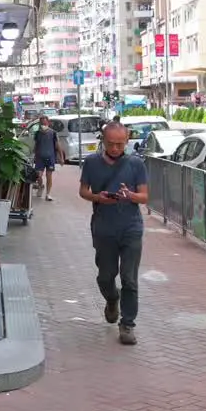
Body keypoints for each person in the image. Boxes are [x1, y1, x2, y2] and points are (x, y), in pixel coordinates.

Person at [78, 122, 149, 345]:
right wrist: (99, 198)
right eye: (111, 144)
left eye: (120, 144)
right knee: (105, 276)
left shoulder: (136, 163)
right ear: (103, 140)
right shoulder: (91, 162)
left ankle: (127, 324)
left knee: (129, 278)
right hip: (104, 227)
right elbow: (83, 191)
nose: (116, 148)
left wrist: (130, 196)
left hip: (131, 227)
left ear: (127, 141)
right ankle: (112, 299)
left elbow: (145, 196)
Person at [32, 116, 60, 201]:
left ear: (48, 123)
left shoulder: (53, 133)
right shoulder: (37, 133)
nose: (43, 124)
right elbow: (36, 145)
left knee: (49, 176)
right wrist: (34, 154)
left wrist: (61, 157)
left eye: (45, 123)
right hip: (40, 158)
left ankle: (48, 194)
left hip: (50, 158)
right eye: (42, 123)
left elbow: (58, 146)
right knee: (38, 175)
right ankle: (40, 186)